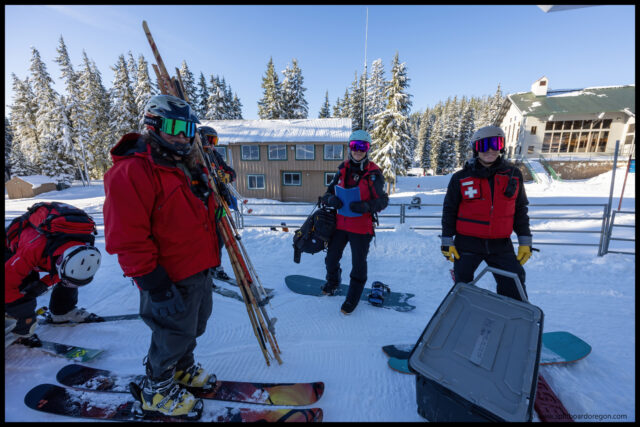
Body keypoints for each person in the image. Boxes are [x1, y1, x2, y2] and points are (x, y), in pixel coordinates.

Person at [103, 94, 221, 419]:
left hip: (198, 267)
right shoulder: (132, 171)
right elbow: (126, 236)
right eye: (173, 127)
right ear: (153, 125)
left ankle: (181, 368)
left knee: (195, 326)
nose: (182, 136)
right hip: (167, 275)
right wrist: (154, 283)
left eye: (188, 129)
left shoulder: (187, 165)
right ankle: (157, 388)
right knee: (171, 333)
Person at [441, 125, 533, 301]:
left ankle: (512, 314)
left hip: (501, 244)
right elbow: (449, 209)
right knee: (463, 285)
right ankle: (463, 312)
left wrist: (525, 241)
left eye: (495, 144)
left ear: (502, 146)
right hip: (467, 243)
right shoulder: (461, 178)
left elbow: (520, 209)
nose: (490, 150)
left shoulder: (513, 175)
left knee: (514, 282)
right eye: (483, 145)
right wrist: (447, 239)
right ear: (476, 149)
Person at [5, 202, 102, 346]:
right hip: (12, 249)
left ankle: (62, 311)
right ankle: (16, 328)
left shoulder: (84, 248)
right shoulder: (33, 248)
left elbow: (66, 274)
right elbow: (7, 284)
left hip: (49, 253)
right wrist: (24, 310)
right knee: (21, 290)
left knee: (69, 279)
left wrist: (44, 284)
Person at [320, 129, 389, 315]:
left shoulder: (374, 173)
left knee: (358, 264)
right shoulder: (342, 169)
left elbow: (383, 200)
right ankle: (333, 282)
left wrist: (367, 206)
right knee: (331, 258)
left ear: (368, 149)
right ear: (349, 148)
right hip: (340, 224)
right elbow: (326, 194)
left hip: (361, 227)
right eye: (354, 146)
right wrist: (331, 199)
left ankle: (352, 298)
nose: (358, 150)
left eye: (362, 146)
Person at [198, 125, 236, 282]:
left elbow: (231, 172)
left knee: (218, 238)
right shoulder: (195, 156)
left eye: (215, 141)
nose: (213, 144)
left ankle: (215, 267)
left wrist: (226, 177)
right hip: (202, 206)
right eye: (210, 140)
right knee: (203, 241)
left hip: (218, 203)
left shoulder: (214, 155)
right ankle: (203, 270)